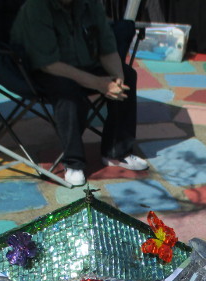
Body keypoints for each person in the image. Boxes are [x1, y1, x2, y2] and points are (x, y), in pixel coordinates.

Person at [10, 0, 148, 187]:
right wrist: (99, 84)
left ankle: (116, 152)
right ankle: (73, 162)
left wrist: (118, 79)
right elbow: (48, 64)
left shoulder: (91, 5)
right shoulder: (37, 8)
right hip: (46, 70)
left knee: (128, 75)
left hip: (84, 62)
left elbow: (107, 47)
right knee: (67, 91)